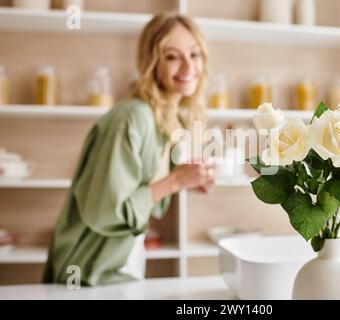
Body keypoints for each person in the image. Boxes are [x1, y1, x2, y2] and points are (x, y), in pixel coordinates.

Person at [43, 13, 214, 286]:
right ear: (151, 62)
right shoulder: (132, 117)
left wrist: (185, 180)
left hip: (122, 258)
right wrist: (175, 181)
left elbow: (141, 196)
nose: (188, 66)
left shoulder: (164, 119)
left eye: (195, 55)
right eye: (172, 56)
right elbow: (104, 211)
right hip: (90, 270)